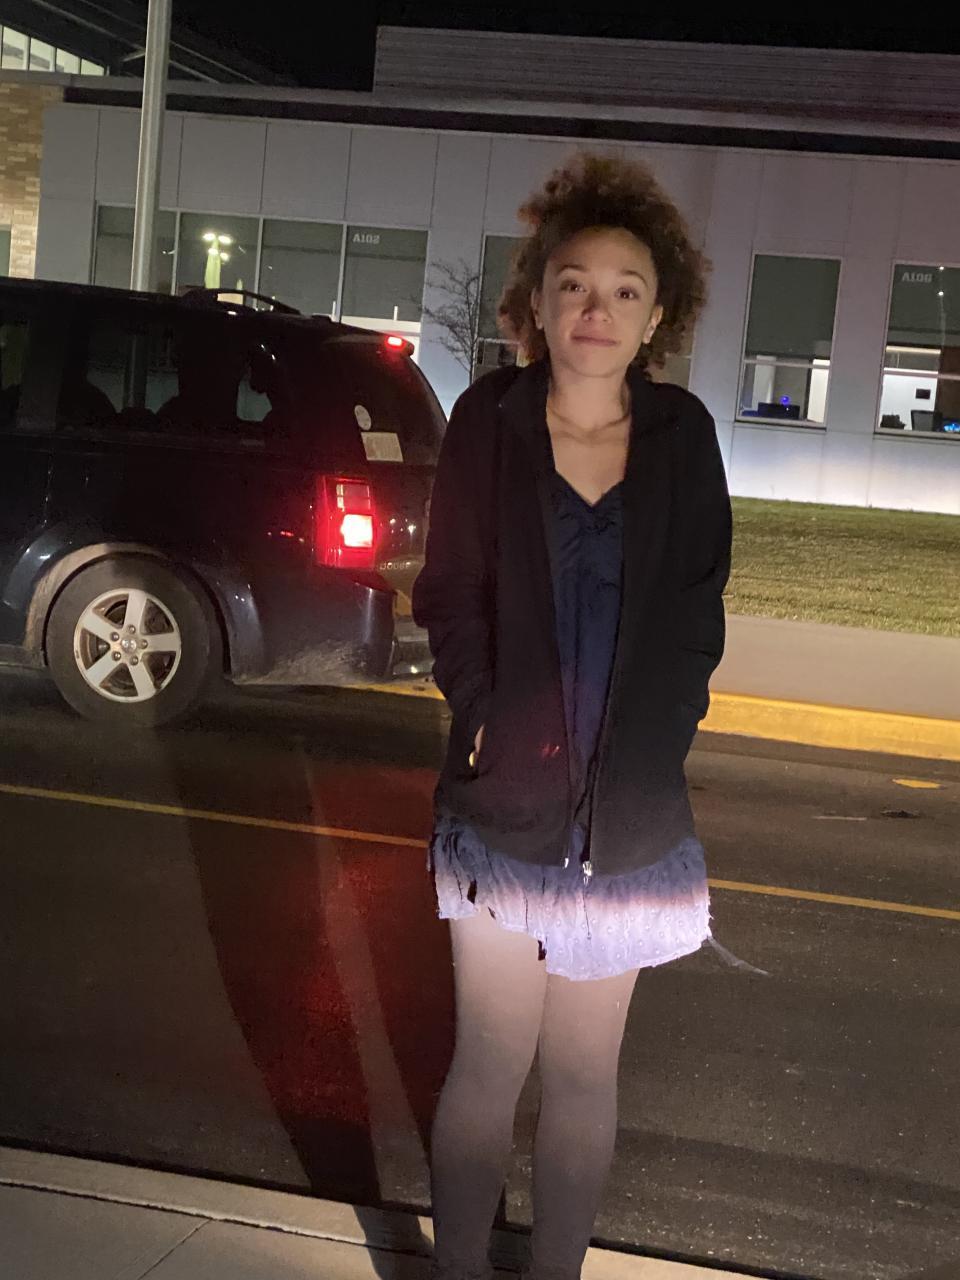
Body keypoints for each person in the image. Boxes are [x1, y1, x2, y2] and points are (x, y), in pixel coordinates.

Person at [412, 151, 732, 1280]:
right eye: (576, 284)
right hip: (506, 808)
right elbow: (448, 588)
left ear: (657, 317)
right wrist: (481, 712)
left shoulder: (683, 436)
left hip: (629, 823)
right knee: (489, 1065)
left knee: (586, 1076)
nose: (598, 308)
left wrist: (657, 744)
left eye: (625, 290)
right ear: (538, 302)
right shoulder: (488, 420)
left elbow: (694, 614)